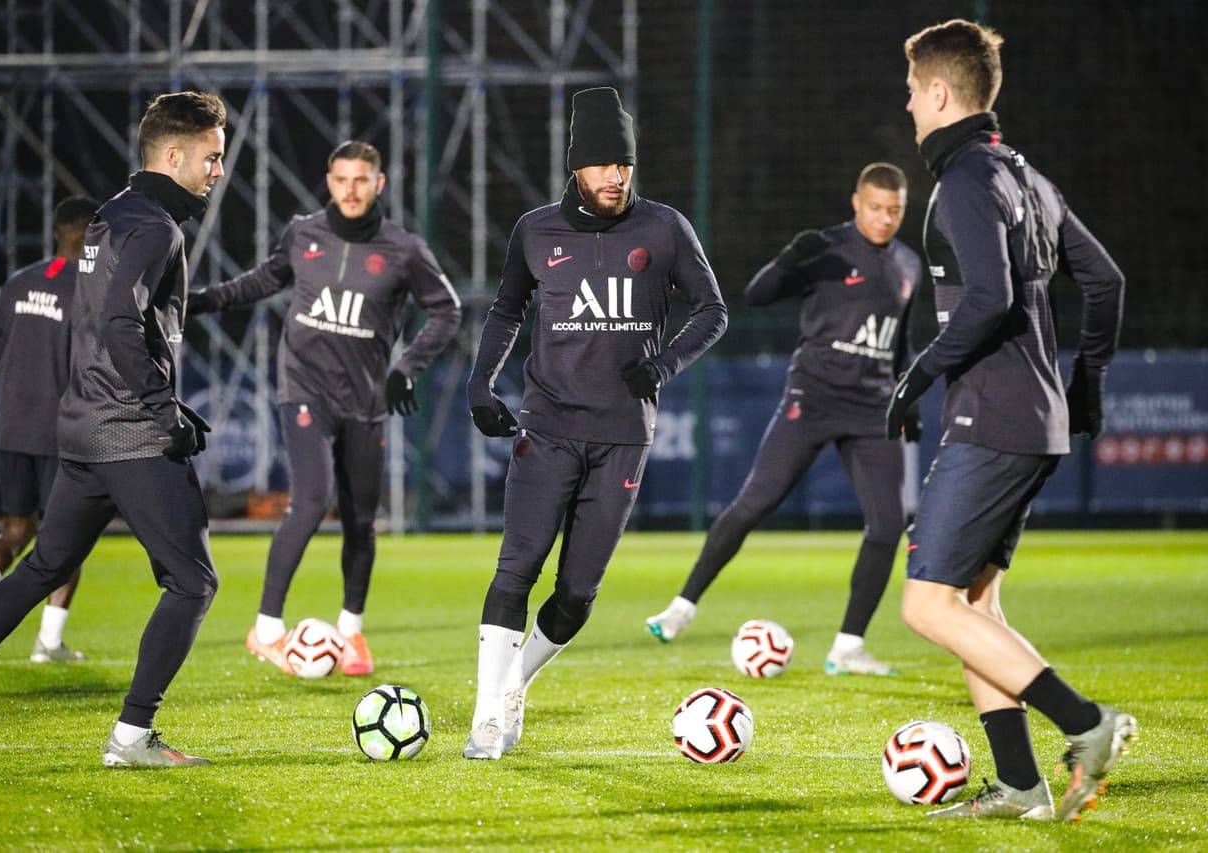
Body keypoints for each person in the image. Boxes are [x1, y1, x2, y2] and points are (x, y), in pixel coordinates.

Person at [888, 20, 1133, 821]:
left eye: (913, 92)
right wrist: (1086, 384)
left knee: (926, 604)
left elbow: (989, 300)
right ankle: (1022, 784)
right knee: (974, 606)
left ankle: (1087, 721)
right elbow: (1106, 282)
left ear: (939, 93)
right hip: (1036, 418)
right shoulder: (1026, 176)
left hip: (991, 418)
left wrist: (919, 373)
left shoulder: (963, 176)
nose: (909, 107)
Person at [0, 91, 226, 767]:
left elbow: (108, 319)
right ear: (174, 155)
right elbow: (116, 322)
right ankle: (132, 735)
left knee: (45, 564)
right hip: (128, 431)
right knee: (192, 582)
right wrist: (162, 411)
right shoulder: (158, 229)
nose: (217, 170)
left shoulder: (113, 213)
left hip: (80, 425)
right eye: (211, 156)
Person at [462, 87, 728, 760]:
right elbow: (505, 310)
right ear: (575, 167)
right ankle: (486, 717)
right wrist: (480, 381)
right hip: (545, 424)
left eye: (625, 164)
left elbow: (713, 310)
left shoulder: (664, 228)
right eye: (603, 164)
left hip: (622, 437)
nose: (616, 176)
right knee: (516, 568)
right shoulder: (535, 230)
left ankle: (513, 684)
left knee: (577, 595)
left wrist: (664, 365)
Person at [189, 140, 461, 677]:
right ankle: (266, 628)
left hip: (365, 402)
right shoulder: (303, 233)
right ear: (329, 182)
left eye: (362, 180)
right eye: (341, 180)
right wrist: (199, 298)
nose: (351, 190)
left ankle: (352, 633)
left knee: (361, 521)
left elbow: (446, 311)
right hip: (304, 390)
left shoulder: (404, 249)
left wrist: (407, 368)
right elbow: (260, 281)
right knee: (311, 500)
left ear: (379, 183)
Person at [645, 163, 922, 676]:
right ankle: (681, 609)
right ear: (856, 203)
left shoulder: (909, 263)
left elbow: (901, 341)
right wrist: (788, 258)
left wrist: (912, 400)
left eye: (895, 210)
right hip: (812, 397)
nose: (885, 219)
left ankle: (847, 647)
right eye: (876, 208)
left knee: (887, 525)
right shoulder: (827, 248)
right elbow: (757, 294)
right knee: (755, 502)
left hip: (873, 407)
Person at [0, 196, 98, 662]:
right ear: (93, 232)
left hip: (9, 427)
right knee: (67, 539)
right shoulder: (88, 289)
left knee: (14, 529)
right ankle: (49, 642)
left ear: (57, 231)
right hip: (61, 433)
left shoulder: (19, 281)